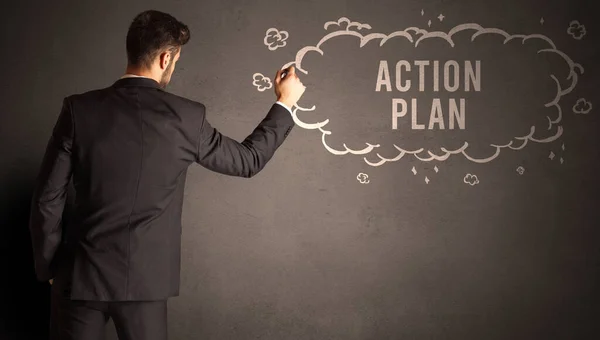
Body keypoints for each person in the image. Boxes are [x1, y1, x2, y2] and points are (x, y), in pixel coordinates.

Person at [28, 9, 305, 340]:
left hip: (78, 277)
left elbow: (47, 199)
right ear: (165, 58)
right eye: (175, 60)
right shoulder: (186, 118)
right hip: (146, 283)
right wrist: (285, 102)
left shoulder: (78, 109)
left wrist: (48, 267)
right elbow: (247, 160)